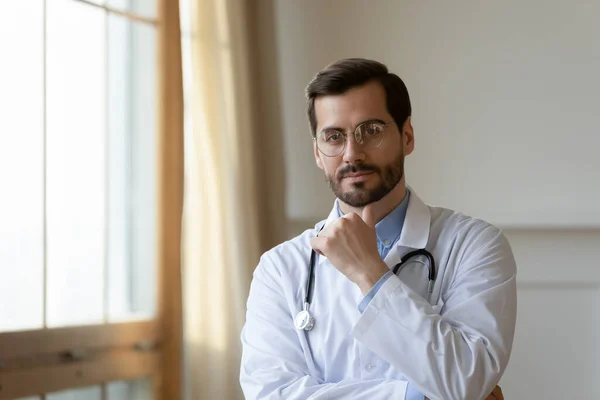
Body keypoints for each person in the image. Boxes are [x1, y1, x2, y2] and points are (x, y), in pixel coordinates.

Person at [240, 58, 517, 399]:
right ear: (316, 151)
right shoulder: (280, 268)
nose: (352, 153)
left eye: (370, 130)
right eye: (334, 137)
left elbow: (466, 380)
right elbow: (270, 394)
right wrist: (414, 395)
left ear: (407, 136)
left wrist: (369, 273)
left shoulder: (475, 246)